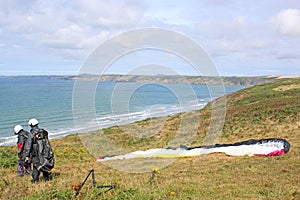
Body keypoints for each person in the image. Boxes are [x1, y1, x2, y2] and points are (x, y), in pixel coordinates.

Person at [24, 118, 54, 183]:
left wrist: (26, 155)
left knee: (36, 165)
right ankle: (46, 178)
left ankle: (35, 180)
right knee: (44, 163)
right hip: (44, 151)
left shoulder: (32, 134)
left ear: (31, 125)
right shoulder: (43, 131)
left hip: (36, 152)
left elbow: (28, 145)